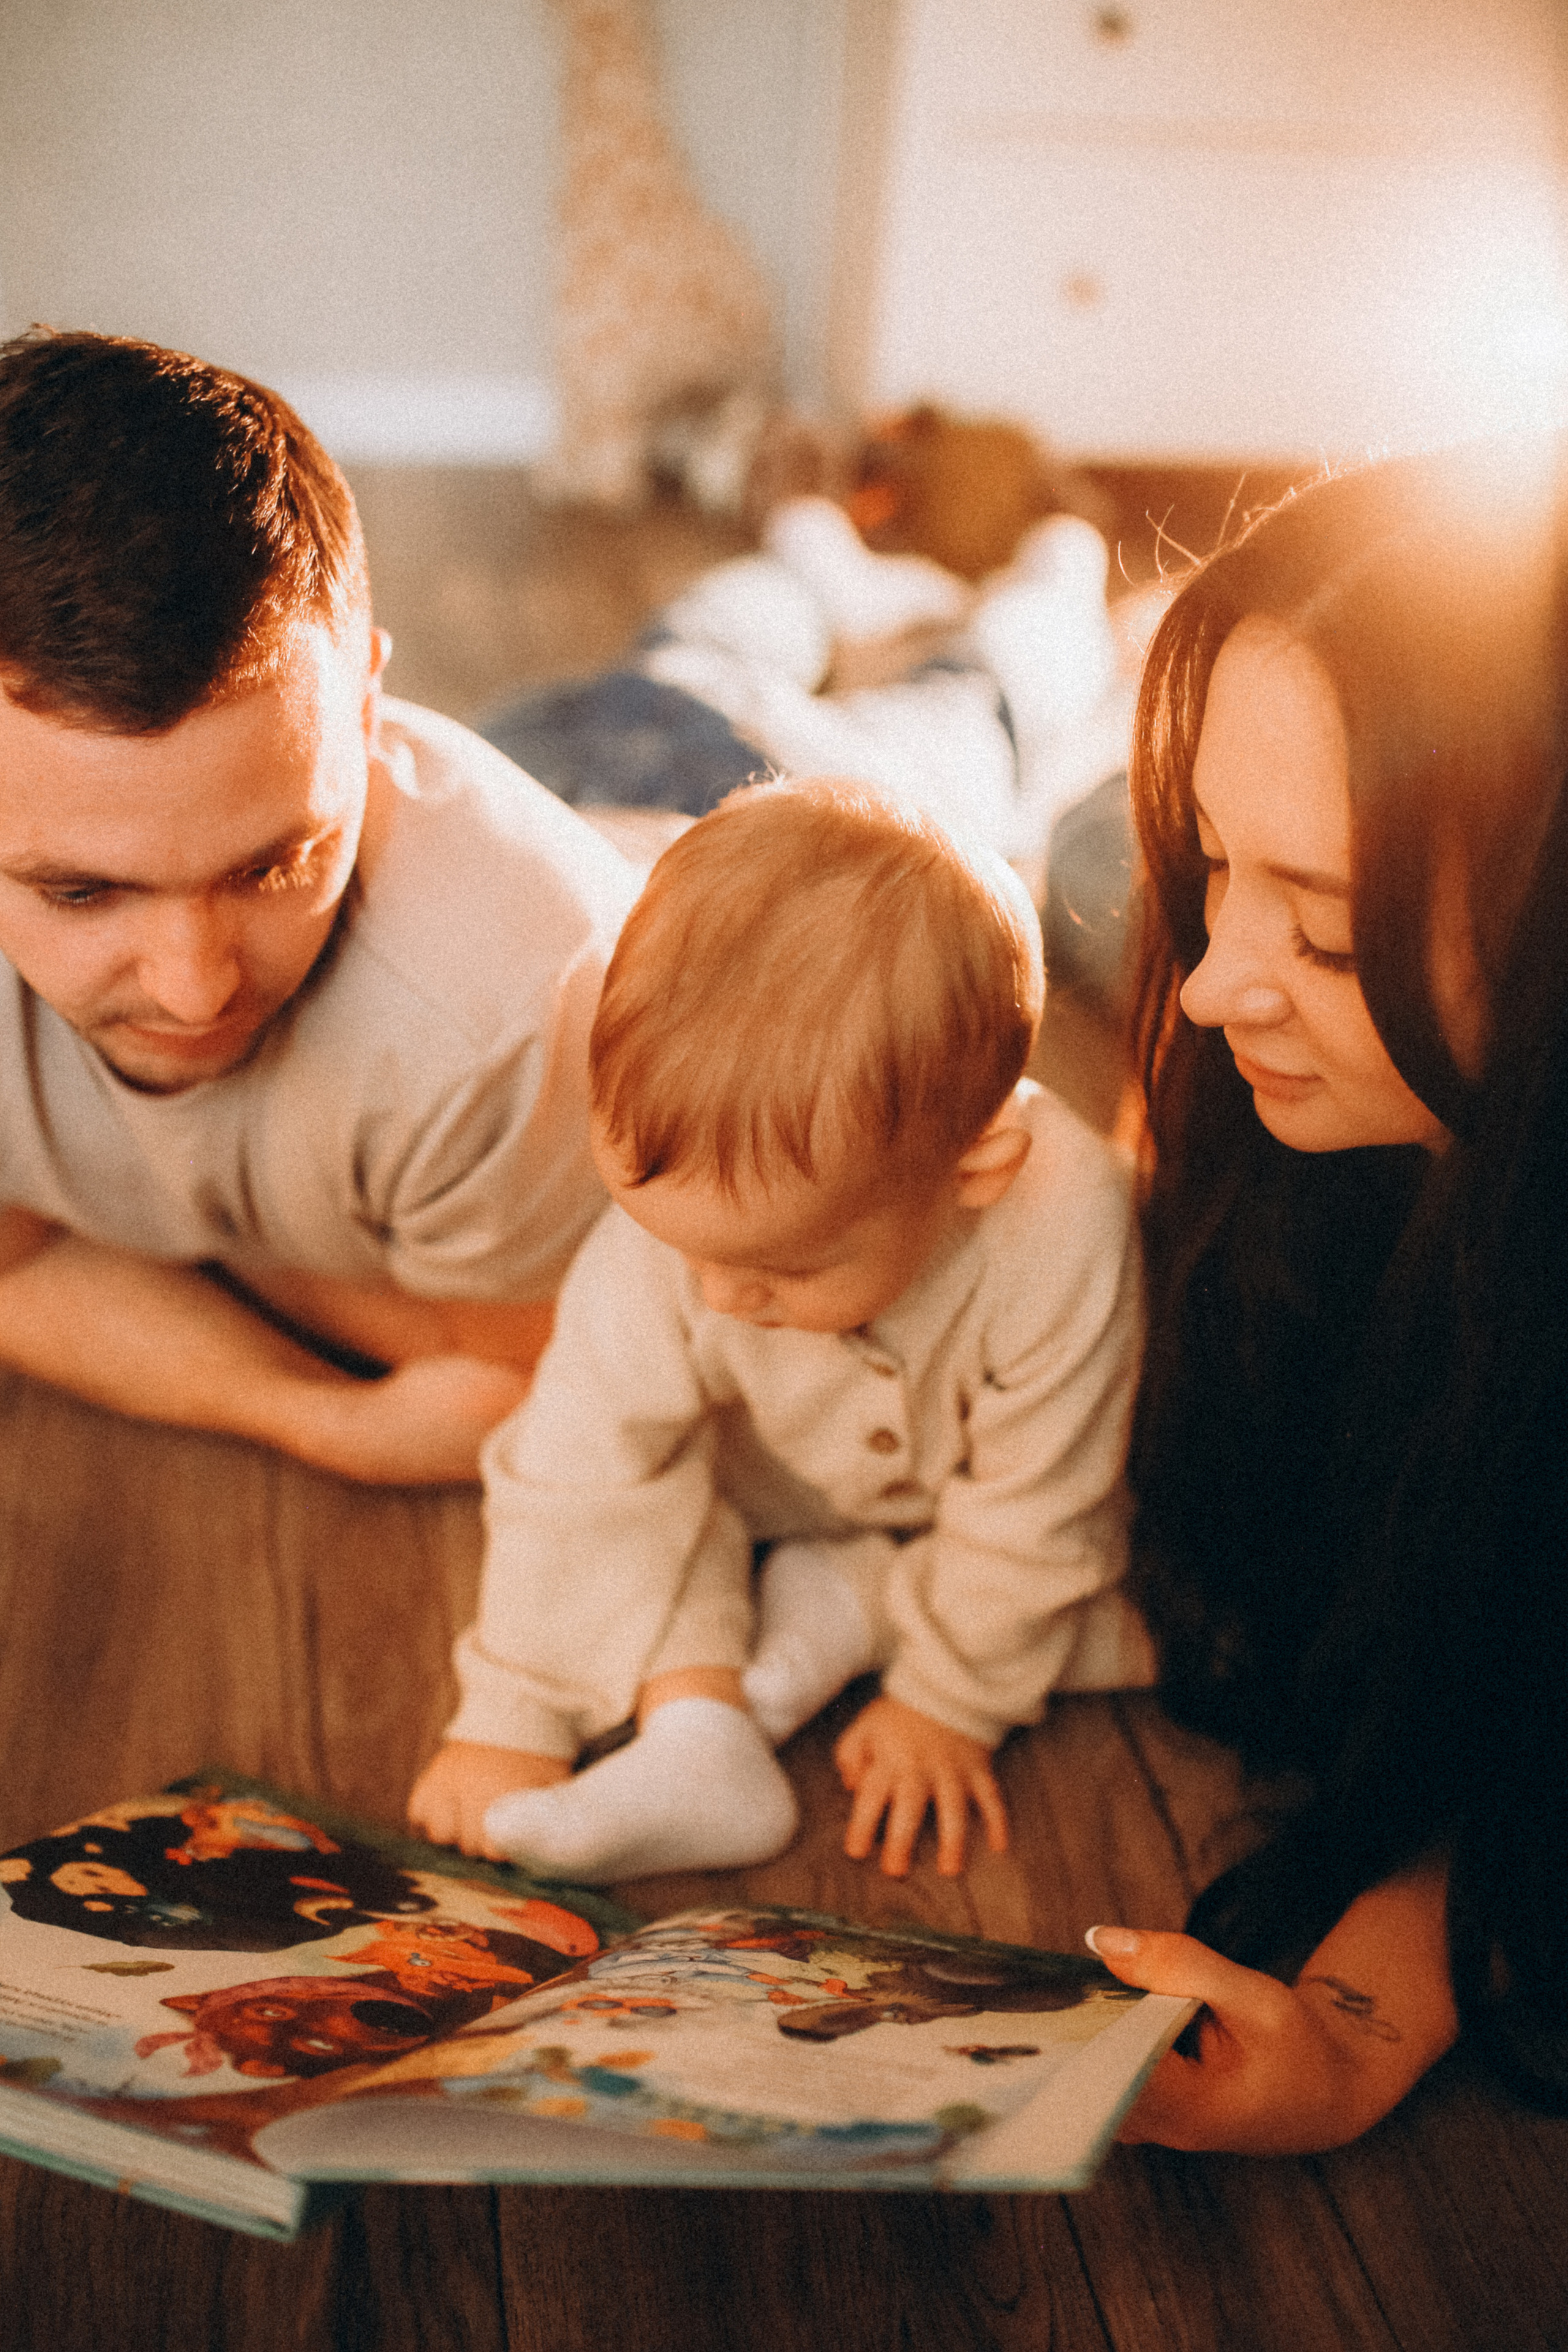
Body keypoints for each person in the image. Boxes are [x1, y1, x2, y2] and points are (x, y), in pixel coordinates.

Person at [1081, 436, 1568, 2151]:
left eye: (1330, 931)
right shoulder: (1275, 1123)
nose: (1216, 985)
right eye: (1216, 866)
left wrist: (1355, 2029)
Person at [409, 779, 1150, 1881]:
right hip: (756, 1490)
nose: (714, 1296)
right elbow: (574, 1467)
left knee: (1127, 1614)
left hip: (993, 1520)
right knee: (637, 1501)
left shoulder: (1068, 1225)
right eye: (676, 1244)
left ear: (975, 1171)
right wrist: (518, 1709)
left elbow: (1042, 1502)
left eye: (782, 1267)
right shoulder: (670, 1251)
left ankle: (837, 1615)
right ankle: (701, 1726)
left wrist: (949, 1705)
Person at [0, 329, 637, 1480]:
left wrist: (130, 1228)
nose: (196, 988)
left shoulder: (522, 1001)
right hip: (538, 758)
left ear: (366, 707)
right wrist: (312, 1415)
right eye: (82, 891)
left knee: (950, 716)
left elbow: (511, 1377)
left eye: (275, 864)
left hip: (670, 788)